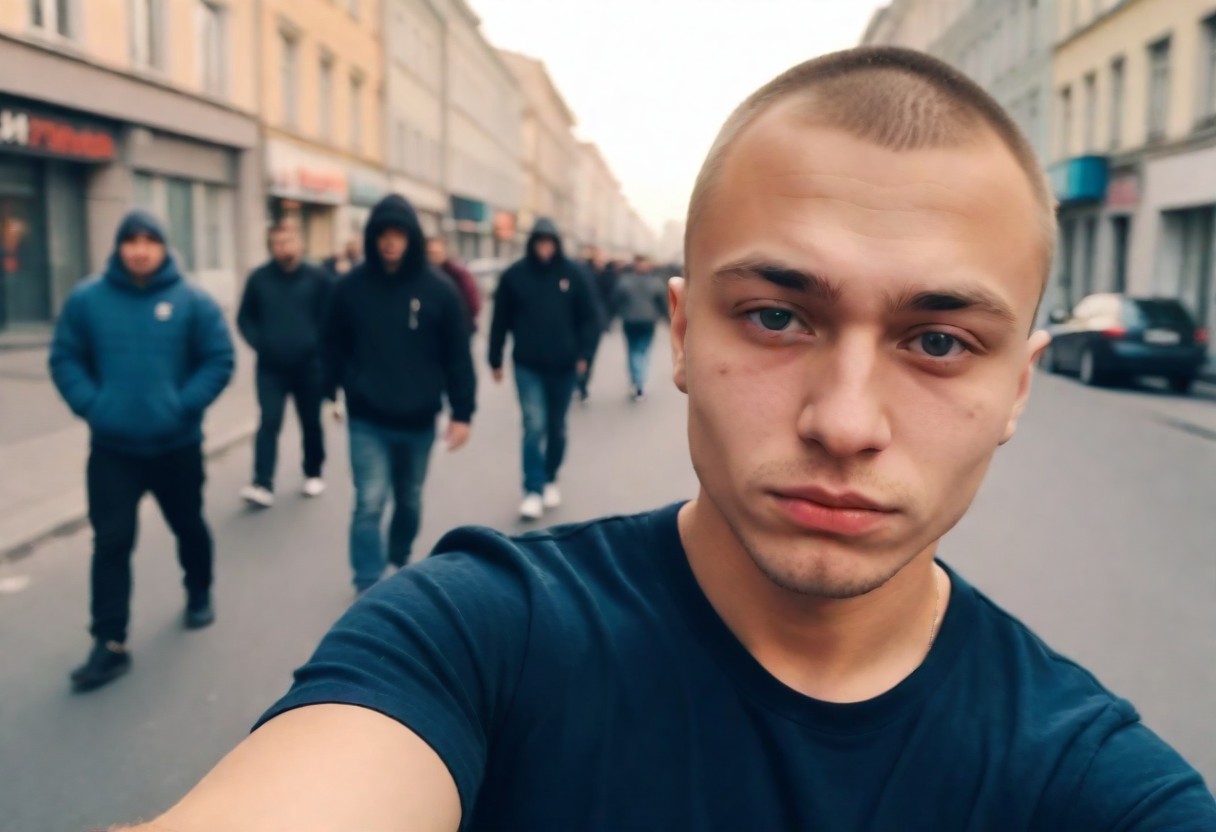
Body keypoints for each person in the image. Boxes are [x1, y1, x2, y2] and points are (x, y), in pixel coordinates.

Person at [119, 47, 1216, 832]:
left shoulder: (1089, 782)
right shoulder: (476, 640)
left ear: (1017, 386)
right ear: (683, 334)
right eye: (777, 317)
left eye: (937, 341)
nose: (844, 422)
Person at [49, 210, 234, 693]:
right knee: (111, 543)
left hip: (177, 446)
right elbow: (65, 357)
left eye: (149, 241)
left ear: (163, 247)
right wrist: (94, 405)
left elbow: (219, 358)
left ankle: (199, 590)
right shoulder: (88, 300)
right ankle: (109, 643)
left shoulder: (192, 300)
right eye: (131, 241)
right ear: (118, 247)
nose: (139, 250)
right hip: (113, 451)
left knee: (188, 524)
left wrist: (183, 405)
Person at [324, 195, 476, 593]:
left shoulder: (439, 290)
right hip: (367, 417)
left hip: (419, 419)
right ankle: (368, 583)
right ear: (372, 237)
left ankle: (398, 554)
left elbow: (457, 356)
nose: (390, 241)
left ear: (412, 238)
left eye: (399, 234)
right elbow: (331, 345)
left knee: (409, 499)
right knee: (370, 501)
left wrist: (463, 413)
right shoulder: (349, 288)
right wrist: (330, 391)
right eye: (383, 234)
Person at [487, 217, 600, 520]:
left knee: (556, 426)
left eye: (549, 242)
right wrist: (495, 358)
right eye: (540, 242)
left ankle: (550, 477)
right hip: (528, 364)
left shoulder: (574, 274)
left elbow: (591, 318)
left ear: (557, 244)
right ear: (532, 243)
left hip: (565, 365)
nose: (545, 248)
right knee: (533, 424)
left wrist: (585, 355)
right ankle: (533, 489)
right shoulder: (515, 275)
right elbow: (500, 319)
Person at [236, 223, 332, 507]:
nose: (284, 248)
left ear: (300, 243)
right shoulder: (259, 279)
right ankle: (262, 483)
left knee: (311, 421)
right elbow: (244, 318)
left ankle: (313, 472)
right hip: (271, 368)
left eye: (289, 241)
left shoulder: (318, 278)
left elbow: (331, 317)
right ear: (271, 247)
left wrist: (318, 346)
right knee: (268, 422)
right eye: (278, 243)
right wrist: (261, 343)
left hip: (309, 366)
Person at [611, 254, 669, 401]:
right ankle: (639, 382)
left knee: (634, 351)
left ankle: (636, 381)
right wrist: (667, 319)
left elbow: (616, 299)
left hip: (631, 319)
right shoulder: (655, 281)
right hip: (647, 320)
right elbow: (662, 302)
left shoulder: (625, 280)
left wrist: (615, 315)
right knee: (642, 351)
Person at [576, 245, 615, 402]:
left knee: (589, 354)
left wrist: (605, 270)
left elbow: (611, 294)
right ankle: (577, 381)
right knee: (576, 352)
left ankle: (582, 384)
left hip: (596, 321)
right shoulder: (582, 271)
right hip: (579, 318)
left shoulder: (607, 273)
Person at [426, 235, 482, 334]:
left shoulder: (458, 274)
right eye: (430, 253)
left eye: (436, 252)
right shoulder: (423, 275)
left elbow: (472, 302)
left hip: (458, 327)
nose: (433, 257)